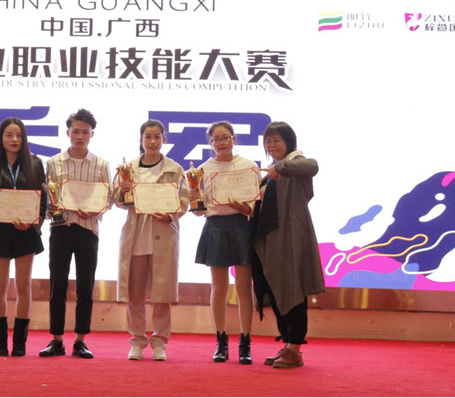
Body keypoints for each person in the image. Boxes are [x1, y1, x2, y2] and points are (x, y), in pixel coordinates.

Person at [113, 119, 188, 362]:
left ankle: (159, 342)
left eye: (157, 137)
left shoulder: (175, 169)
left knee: (162, 295)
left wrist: (171, 214)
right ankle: (136, 341)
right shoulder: (128, 169)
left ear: (164, 139)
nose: (153, 141)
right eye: (148, 137)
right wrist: (123, 192)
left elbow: (185, 199)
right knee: (134, 295)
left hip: (163, 235)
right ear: (141, 140)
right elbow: (117, 199)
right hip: (136, 237)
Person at [252, 121, 325, 369]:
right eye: (268, 141)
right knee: (277, 290)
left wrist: (279, 168)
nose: (272, 145)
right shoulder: (269, 174)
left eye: (277, 140)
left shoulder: (295, 163)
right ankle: (287, 344)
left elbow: (313, 166)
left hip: (292, 237)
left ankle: (295, 348)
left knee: (294, 290)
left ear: (289, 142)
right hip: (272, 240)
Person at [40, 108, 112, 359]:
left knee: (85, 285)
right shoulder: (54, 163)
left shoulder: (101, 165)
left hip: (88, 230)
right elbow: (47, 198)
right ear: (67, 132)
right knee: (57, 284)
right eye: (76, 131)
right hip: (61, 228)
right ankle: (57, 339)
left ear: (92, 134)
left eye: (85, 132)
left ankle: (80, 340)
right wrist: (50, 209)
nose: (80, 136)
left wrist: (94, 209)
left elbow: (108, 198)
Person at [189, 121, 257, 364]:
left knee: (243, 288)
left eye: (225, 137)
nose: (221, 143)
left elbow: (256, 203)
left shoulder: (249, 166)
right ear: (210, 143)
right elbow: (199, 211)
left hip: (242, 226)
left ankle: (245, 342)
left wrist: (246, 208)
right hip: (215, 227)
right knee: (218, 288)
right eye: (216, 139)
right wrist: (194, 199)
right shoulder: (202, 170)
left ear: (234, 139)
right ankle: (221, 341)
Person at [0, 117, 47, 357]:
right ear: (1, 138)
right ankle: (0, 342)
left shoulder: (35, 164)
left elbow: (44, 198)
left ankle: (20, 342)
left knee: (24, 285)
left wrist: (34, 223)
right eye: (9, 135)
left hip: (26, 232)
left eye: (19, 135)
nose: (14, 140)